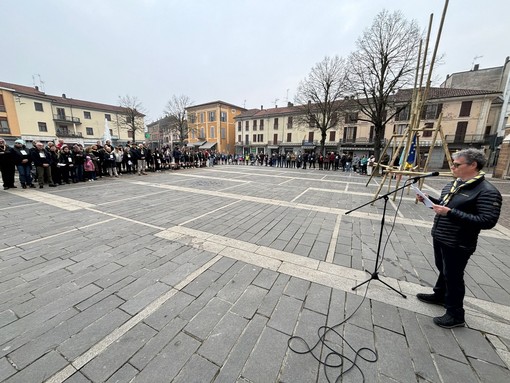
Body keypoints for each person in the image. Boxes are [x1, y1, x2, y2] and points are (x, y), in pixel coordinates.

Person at [416, 148, 502, 329]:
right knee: (443, 269)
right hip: (440, 235)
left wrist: (451, 213)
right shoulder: (453, 185)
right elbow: (444, 205)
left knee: (454, 276)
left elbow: (487, 221)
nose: (453, 167)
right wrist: (428, 200)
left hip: (459, 241)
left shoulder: (486, 191)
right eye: (452, 164)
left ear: (473, 165)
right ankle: (440, 295)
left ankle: (455, 314)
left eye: (457, 164)